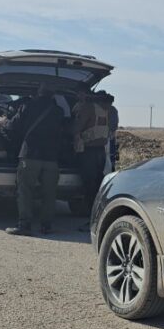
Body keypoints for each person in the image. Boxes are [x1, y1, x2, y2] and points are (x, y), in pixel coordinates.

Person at [4, 85, 64, 236]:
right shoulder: (59, 111)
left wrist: (4, 121)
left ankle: (24, 225)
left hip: (30, 155)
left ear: (38, 93)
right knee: (49, 193)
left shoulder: (27, 106)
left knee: (25, 191)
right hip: (51, 158)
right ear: (53, 96)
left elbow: (13, 127)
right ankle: (47, 226)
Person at [72, 92, 110, 227]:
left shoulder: (89, 108)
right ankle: (99, 216)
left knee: (89, 187)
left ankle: (92, 220)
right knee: (97, 185)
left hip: (88, 151)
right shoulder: (106, 110)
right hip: (101, 151)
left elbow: (77, 127)